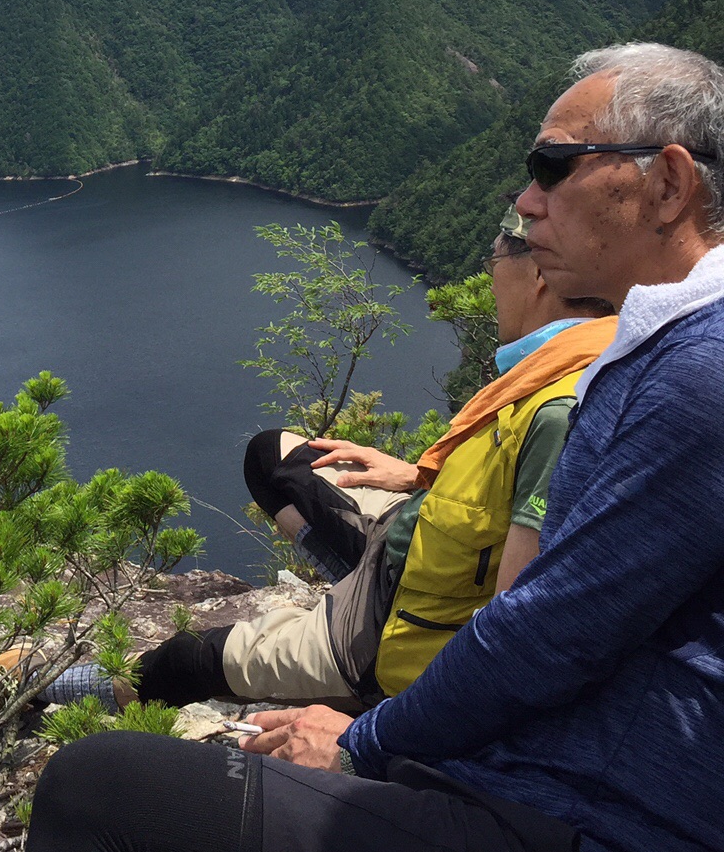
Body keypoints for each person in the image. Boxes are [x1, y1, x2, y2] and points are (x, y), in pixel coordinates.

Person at [21, 42, 724, 852]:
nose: (525, 200)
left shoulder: (695, 374)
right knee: (277, 461)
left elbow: (543, 634)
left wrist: (364, 744)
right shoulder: (659, 355)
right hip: (576, 802)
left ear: (667, 184)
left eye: (553, 167)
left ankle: (148, 679)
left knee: (100, 795)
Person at [50, 211, 614, 711]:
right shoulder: (556, 363)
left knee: (189, 658)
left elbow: (513, 627)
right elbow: (496, 488)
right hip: (409, 539)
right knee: (274, 456)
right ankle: (345, 579)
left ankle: (43, 687)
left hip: (393, 627)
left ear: (538, 275)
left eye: (494, 260)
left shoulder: (560, 408)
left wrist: (386, 733)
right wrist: (418, 475)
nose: (490, 276)